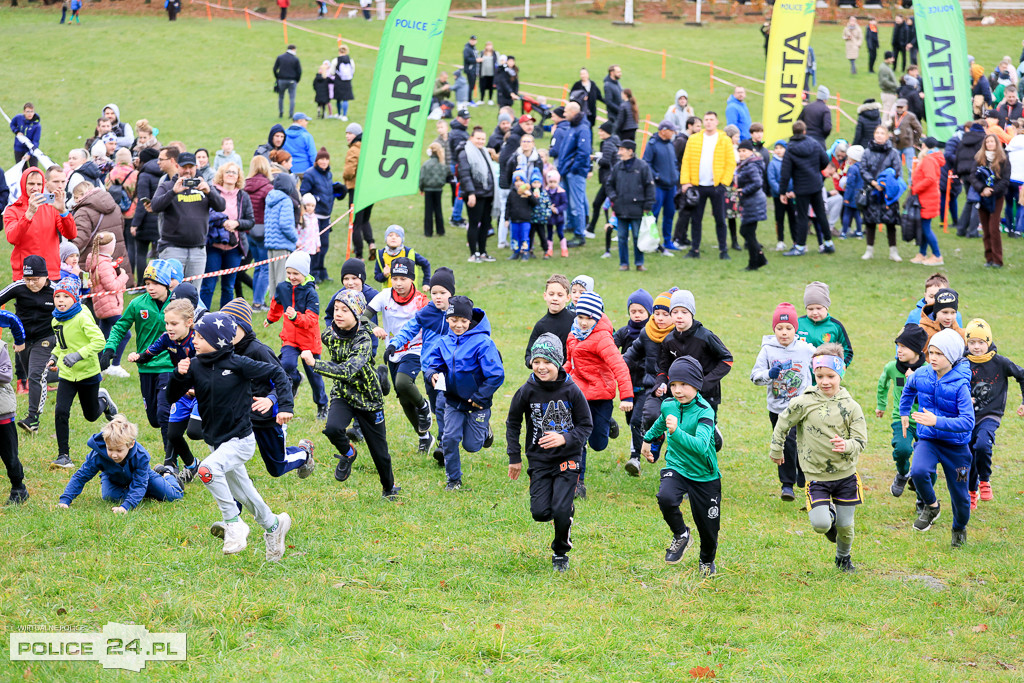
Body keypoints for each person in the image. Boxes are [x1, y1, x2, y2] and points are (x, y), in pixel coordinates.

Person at [168, 313, 294, 560]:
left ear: (218, 341)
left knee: (206, 470)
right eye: (195, 334)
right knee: (245, 493)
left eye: (201, 336)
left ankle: (234, 524)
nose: (194, 339)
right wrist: (178, 375)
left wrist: (285, 406)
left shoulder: (238, 363)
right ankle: (274, 526)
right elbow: (171, 396)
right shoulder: (195, 365)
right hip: (217, 442)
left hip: (241, 441)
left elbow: (279, 374)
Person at [770, 343, 867, 572]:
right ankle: (828, 514)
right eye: (819, 375)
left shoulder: (851, 407)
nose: (825, 381)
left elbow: (861, 441)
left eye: (831, 376)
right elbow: (783, 422)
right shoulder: (805, 401)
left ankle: (843, 557)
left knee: (845, 526)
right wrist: (777, 449)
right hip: (815, 476)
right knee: (821, 525)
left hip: (846, 476)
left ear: (840, 373)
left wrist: (846, 445)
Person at [507, 332, 593, 573]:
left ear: (558, 362)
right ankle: (561, 512)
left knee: (561, 509)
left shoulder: (571, 390)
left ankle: (560, 552)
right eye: (537, 362)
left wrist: (564, 438)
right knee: (540, 512)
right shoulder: (527, 390)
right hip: (539, 459)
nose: (541, 367)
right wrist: (514, 457)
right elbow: (513, 422)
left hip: (569, 457)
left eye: (547, 362)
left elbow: (586, 425)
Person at [303, 290, 399, 498]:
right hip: (343, 393)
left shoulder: (363, 340)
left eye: (344, 310)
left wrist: (315, 363)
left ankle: (389, 488)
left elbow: (347, 370)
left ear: (356, 314)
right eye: (336, 309)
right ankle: (349, 453)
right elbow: (314, 338)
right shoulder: (329, 334)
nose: (338, 314)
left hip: (368, 397)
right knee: (332, 428)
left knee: (380, 452)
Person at [642, 356, 721, 575]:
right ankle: (681, 534)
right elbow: (660, 423)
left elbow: (700, 446)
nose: (678, 390)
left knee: (708, 528)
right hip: (676, 466)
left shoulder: (705, 411)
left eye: (684, 385)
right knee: (665, 497)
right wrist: (647, 440)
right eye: (674, 385)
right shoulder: (669, 405)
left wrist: (677, 431)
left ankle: (706, 560)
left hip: (704, 474)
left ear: (697, 384)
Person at [900, 329, 974, 548]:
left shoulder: (960, 385)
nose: (932, 357)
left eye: (939, 354)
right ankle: (931, 507)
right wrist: (904, 412)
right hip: (928, 440)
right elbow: (909, 387)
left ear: (950, 357)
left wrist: (937, 421)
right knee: (919, 471)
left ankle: (959, 528)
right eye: (930, 352)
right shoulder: (922, 374)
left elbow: (968, 422)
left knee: (961, 498)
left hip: (957, 447)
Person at [423, 296, 504, 491]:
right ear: (448, 319)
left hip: (477, 403)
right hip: (453, 400)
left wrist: (480, 397)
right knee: (449, 438)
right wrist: (432, 374)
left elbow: (496, 375)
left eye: (463, 321)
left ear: (470, 321)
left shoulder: (483, 343)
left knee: (472, 446)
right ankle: (454, 480)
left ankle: (484, 430)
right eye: (454, 320)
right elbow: (432, 364)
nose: (458, 325)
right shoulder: (444, 341)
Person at [564, 293, 634, 500]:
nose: (584, 322)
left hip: (601, 396)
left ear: (597, 317)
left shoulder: (603, 338)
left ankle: (607, 423)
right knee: (579, 440)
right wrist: (556, 377)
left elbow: (619, 367)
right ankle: (578, 484)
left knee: (598, 444)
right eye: (580, 317)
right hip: (578, 395)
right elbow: (570, 363)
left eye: (589, 318)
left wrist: (627, 396)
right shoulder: (572, 335)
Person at [48, 276, 119, 470]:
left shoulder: (82, 317)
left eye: (66, 297)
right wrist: (54, 358)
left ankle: (103, 401)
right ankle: (64, 455)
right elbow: (60, 344)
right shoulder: (56, 319)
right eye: (57, 296)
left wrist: (78, 355)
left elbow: (99, 341)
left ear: (75, 299)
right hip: (67, 375)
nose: (60, 300)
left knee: (90, 415)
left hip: (88, 373)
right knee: (61, 411)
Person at [366, 258, 435, 454]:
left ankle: (424, 406)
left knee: (403, 383)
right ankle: (425, 437)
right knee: (404, 399)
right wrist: (375, 327)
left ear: (412, 279)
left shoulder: (422, 301)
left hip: (416, 348)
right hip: (393, 350)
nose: (398, 283)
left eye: (403, 278)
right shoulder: (384, 295)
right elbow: (363, 318)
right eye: (395, 278)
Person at [751, 303, 815, 500]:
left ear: (795, 329)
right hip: (778, 408)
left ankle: (802, 475)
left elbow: (822, 364)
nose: (784, 333)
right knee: (786, 443)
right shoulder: (768, 350)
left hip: (803, 407)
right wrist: (769, 375)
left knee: (801, 441)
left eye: (789, 328)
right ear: (774, 329)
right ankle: (787, 484)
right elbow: (755, 376)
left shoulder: (805, 349)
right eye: (779, 328)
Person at [58, 415, 182, 512]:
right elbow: (81, 476)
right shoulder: (97, 455)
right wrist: (65, 500)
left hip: (143, 477)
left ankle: (166, 474)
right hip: (113, 478)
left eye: (119, 450)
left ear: (131, 444)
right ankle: (140, 494)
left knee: (173, 496)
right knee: (110, 497)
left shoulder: (141, 456)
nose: (114, 455)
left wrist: (125, 507)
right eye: (110, 449)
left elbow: (139, 483)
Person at [963, 319, 1024, 508]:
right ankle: (971, 491)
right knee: (968, 454)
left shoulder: (1000, 362)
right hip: (966, 416)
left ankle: (985, 481)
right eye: (972, 342)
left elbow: (1022, 375)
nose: (976, 347)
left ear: (988, 342)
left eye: (981, 342)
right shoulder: (962, 363)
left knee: (982, 445)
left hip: (990, 414)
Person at [266, 252, 329, 421]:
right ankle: (295, 378)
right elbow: (276, 304)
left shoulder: (310, 293)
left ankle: (322, 404)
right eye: (289, 273)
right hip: (290, 338)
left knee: (315, 376)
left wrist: (295, 317)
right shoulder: (283, 287)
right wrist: (270, 319)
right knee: (285, 364)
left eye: (296, 274)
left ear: (305, 274)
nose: (292, 277)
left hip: (309, 340)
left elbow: (312, 320)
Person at [0, 256, 56, 433]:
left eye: (36, 279)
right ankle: (67, 376)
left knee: (34, 375)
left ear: (45, 276)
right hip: (22, 341)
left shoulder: (56, 290)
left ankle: (33, 419)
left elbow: (75, 308)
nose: (31, 284)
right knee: (33, 374)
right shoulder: (18, 287)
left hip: (46, 338)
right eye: (28, 279)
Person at [150, 152, 226, 278]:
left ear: (196, 167)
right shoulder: (168, 185)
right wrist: (173, 192)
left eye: (191, 167)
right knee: (171, 291)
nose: (188, 171)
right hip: (172, 248)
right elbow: (155, 206)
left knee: (193, 292)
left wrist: (209, 192)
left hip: (198, 250)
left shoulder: (204, 187)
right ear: (177, 166)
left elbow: (221, 206)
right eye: (184, 167)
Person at [679, 111, 736, 259]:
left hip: (716, 186)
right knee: (696, 219)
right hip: (698, 185)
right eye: (706, 119)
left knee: (720, 219)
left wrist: (724, 183)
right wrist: (686, 181)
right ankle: (695, 249)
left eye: (711, 119)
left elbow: (730, 163)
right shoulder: (694, 139)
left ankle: (723, 250)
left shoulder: (724, 139)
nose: (709, 122)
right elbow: (686, 161)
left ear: (717, 122)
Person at [779, 121, 835, 257]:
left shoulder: (790, 149)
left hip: (802, 187)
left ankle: (800, 247)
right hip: (816, 184)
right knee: (821, 214)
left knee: (803, 217)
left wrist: (782, 191)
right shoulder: (814, 143)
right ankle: (828, 243)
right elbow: (824, 160)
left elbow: (785, 173)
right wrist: (816, 170)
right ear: (804, 131)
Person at [607, 140, 655, 271]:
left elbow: (649, 186)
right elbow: (609, 184)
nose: (619, 152)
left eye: (622, 149)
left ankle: (639, 263)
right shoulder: (618, 167)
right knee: (622, 237)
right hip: (621, 208)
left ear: (630, 151)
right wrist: (614, 198)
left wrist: (648, 204)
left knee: (637, 237)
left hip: (638, 208)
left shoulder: (642, 166)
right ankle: (624, 263)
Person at [859, 126, 904, 261]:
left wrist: (885, 184)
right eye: (877, 133)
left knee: (890, 223)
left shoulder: (893, 153)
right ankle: (869, 250)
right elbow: (863, 169)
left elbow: (897, 171)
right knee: (870, 222)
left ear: (887, 136)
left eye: (882, 133)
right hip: (872, 191)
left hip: (887, 193)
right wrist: (873, 182)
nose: (879, 135)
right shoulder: (867, 152)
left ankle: (893, 251)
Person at [458, 127, 497, 263]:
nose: (480, 141)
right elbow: (465, 175)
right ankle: (473, 253)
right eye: (478, 138)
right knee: (474, 223)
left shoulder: (484, 152)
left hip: (488, 194)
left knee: (486, 223)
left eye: (482, 139)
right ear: (471, 138)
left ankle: (483, 252)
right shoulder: (465, 153)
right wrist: (471, 193)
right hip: (475, 194)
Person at [971, 134, 1010, 268]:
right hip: (982, 196)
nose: (990, 144)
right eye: (988, 142)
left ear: (996, 143)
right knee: (986, 229)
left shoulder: (1003, 158)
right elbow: (973, 176)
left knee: (994, 228)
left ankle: (998, 260)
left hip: (996, 197)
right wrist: (982, 189)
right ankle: (989, 258)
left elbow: (1005, 180)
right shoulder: (979, 158)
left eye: (992, 141)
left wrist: (992, 190)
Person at [299, 148, 337, 283]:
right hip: (314, 217)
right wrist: (316, 199)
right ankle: (313, 272)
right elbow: (303, 193)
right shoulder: (310, 174)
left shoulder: (328, 174)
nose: (324, 161)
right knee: (313, 246)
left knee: (324, 245)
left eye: (326, 159)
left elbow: (328, 191)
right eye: (321, 159)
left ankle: (321, 271)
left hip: (326, 215)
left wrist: (336, 192)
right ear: (316, 161)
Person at [0, 319, 27, 504]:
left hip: (1, 411)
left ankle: (18, 487)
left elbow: (6, 375)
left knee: (9, 454)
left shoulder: (0, 347)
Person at [642, 121, 679, 253]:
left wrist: (676, 175)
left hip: (671, 187)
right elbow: (646, 163)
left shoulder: (670, 144)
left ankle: (668, 241)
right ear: (663, 130)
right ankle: (653, 241)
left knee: (670, 214)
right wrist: (656, 176)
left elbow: (674, 162)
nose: (673, 133)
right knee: (655, 215)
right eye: (671, 130)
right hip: (658, 187)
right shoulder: (652, 145)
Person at [797, 281, 854, 366]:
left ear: (826, 307)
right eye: (810, 309)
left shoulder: (836, 326)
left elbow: (847, 351)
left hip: (825, 376)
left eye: (819, 308)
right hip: (801, 376)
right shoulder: (798, 323)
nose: (815, 312)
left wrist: (840, 368)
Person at [524, 274, 574, 369]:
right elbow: (528, 356)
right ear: (545, 295)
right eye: (551, 294)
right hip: (548, 377)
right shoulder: (541, 325)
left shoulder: (575, 321)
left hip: (571, 376)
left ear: (568, 297)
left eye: (560, 295)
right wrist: (538, 363)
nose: (555, 298)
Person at [909, 137, 945, 265]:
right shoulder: (932, 158)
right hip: (927, 197)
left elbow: (930, 178)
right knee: (924, 227)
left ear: (924, 146)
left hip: (927, 198)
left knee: (925, 227)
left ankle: (937, 255)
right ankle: (922, 253)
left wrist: (915, 189)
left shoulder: (929, 160)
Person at [734, 139, 769, 270]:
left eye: (744, 151)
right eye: (740, 151)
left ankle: (754, 262)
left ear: (751, 152)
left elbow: (757, 183)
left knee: (746, 231)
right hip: (751, 202)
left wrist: (743, 190)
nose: (742, 153)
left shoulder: (751, 165)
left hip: (753, 202)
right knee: (749, 233)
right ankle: (759, 258)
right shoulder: (746, 164)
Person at [343, 123, 376, 260]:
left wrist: (346, 177)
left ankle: (359, 255)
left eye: (350, 133)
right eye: (346, 133)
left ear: (356, 135)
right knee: (365, 220)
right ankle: (371, 243)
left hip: (356, 191)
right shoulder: (369, 148)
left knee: (355, 222)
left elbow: (349, 172)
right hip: (370, 190)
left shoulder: (353, 150)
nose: (347, 136)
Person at [373, 224, 432, 289]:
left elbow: (426, 264)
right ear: (385, 238)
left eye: (397, 236)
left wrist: (426, 283)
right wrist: (384, 275)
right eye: (390, 235)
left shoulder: (409, 252)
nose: (393, 237)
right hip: (389, 296)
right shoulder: (381, 255)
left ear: (402, 239)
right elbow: (377, 277)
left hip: (409, 295)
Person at [420, 142, 448, 238]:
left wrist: (421, 188)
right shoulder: (442, 164)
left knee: (428, 211)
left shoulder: (426, 164)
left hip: (428, 189)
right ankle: (441, 231)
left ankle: (428, 232)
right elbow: (446, 175)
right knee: (438, 209)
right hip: (438, 189)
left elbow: (422, 178)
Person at [890, 99, 923, 179]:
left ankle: (911, 184)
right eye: (898, 107)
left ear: (906, 107)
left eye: (901, 107)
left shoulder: (910, 116)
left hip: (908, 146)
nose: (899, 109)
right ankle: (899, 183)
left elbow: (919, 129)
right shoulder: (894, 116)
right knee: (897, 167)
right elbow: (892, 128)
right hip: (896, 146)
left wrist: (915, 141)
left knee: (911, 167)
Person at [570, 67, 605, 133]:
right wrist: (581, 99)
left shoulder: (593, 84)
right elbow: (572, 97)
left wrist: (608, 102)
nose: (583, 75)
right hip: (581, 112)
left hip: (591, 112)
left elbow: (599, 96)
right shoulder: (577, 85)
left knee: (590, 129)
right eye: (581, 74)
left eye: (584, 73)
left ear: (588, 74)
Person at [274, 45, 302, 120]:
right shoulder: (295, 59)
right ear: (293, 49)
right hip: (292, 81)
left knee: (281, 97)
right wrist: (297, 80)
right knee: (292, 98)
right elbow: (299, 71)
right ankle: (291, 114)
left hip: (282, 80)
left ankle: (281, 112)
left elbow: (274, 69)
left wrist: (278, 77)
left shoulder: (280, 57)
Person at [878, 52, 900, 125]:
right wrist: (896, 86)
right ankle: (883, 128)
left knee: (889, 113)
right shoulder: (884, 68)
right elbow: (884, 82)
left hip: (890, 93)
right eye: (892, 58)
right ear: (888, 58)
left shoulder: (886, 67)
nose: (893, 59)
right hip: (888, 94)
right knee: (886, 113)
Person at [462, 36, 479, 104]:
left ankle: (469, 99)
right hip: (470, 70)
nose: (473, 41)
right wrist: (476, 60)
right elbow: (467, 59)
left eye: (474, 40)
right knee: (470, 85)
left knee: (472, 85)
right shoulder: (467, 49)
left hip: (474, 70)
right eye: (472, 40)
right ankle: (468, 100)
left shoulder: (474, 48)